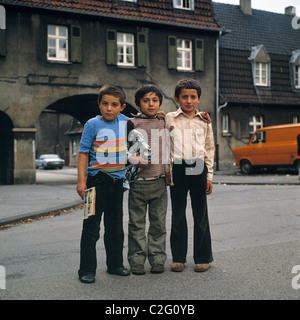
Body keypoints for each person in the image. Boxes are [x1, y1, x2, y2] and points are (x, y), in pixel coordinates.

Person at [77, 84, 130, 284]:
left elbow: (147, 120)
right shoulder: (92, 125)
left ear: (122, 107)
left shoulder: (127, 123)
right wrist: (81, 181)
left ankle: (115, 264)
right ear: (99, 104)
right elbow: (83, 153)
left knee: (115, 226)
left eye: (114, 104)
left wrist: (161, 114)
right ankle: (86, 269)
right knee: (91, 226)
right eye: (105, 104)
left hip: (117, 182)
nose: (109, 108)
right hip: (95, 182)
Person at [165, 78, 215, 273]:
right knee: (178, 214)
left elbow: (209, 149)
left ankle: (203, 257)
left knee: (200, 214)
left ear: (199, 99)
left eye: (193, 97)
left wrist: (209, 175)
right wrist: (167, 170)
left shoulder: (204, 121)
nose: (188, 101)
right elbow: (165, 146)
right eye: (184, 97)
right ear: (177, 99)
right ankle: (178, 257)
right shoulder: (169, 118)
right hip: (177, 167)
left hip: (198, 167)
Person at [127, 84, 168, 275]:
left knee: (158, 223)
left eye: (155, 100)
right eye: (146, 100)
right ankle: (136, 260)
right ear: (138, 104)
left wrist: (203, 116)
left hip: (159, 181)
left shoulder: (164, 122)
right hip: (138, 183)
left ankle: (157, 259)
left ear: (159, 102)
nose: (151, 104)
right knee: (136, 224)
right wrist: (134, 158)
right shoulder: (131, 123)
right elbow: (121, 150)